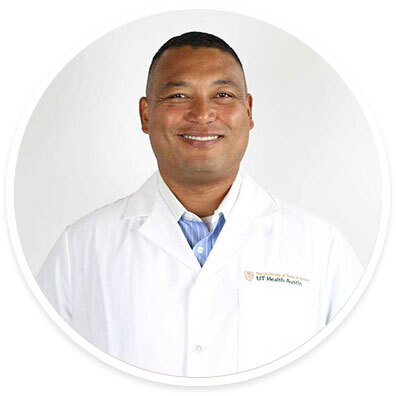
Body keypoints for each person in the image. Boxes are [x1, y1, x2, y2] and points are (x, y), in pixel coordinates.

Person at [36, 31, 363, 377]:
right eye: (179, 95)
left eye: (222, 94)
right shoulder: (80, 250)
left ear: (248, 111)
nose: (203, 113)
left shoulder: (322, 249)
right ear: (146, 115)